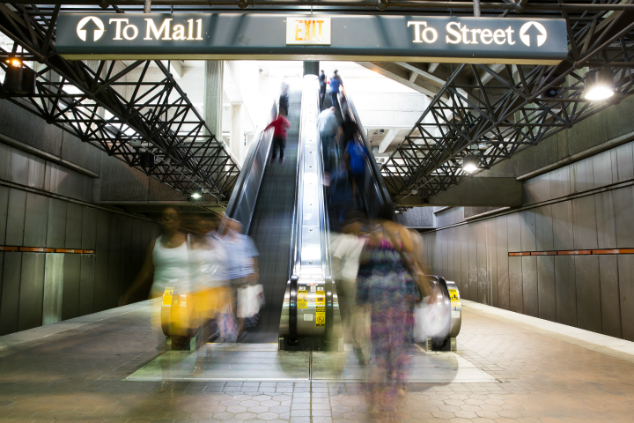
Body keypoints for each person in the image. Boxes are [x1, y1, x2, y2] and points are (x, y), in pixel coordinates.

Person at [356, 205, 432, 404]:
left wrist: (362, 297)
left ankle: (383, 372)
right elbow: (412, 263)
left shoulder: (370, 236)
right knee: (402, 337)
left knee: (379, 337)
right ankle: (400, 382)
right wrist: (424, 289)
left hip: (377, 293)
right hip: (399, 292)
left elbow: (362, 267)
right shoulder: (402, 233)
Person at [331, 211, 369, 364]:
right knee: (357, 317)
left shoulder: (347, 239)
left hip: (345, 281)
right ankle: (360, 351)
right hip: (356, 283)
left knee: (343, 316)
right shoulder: (365, 242)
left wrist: (337, 275)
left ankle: (337, 349)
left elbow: (335, 257)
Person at [216, 217, 259, 339]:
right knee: (233, 304)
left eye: (235, 227)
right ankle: (236, 324)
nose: (233, 229)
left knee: (243, 303)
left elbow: (253, 255)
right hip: (229, 277)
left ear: (239, 228)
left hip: (244, 276)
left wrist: (255, 271)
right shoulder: (224, 242)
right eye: (231, 227)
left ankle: (240, 326)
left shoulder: (246, 240)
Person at [317, 106, 340, 175]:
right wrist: (337, 134)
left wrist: (318, 129)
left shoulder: (322, 113)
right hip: (330, 132)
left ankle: (325, 158)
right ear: (333, 110)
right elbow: (335, 125)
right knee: (335, 141)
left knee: (324, 145)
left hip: (322, 131)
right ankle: (336, 153)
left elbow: (317, 122)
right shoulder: (332, 115)